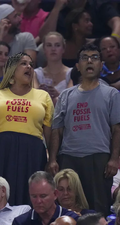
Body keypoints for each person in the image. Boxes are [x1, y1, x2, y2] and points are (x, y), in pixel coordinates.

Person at [47, 44, 120, 216]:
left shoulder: (112, 94)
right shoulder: (65, 95)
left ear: (101, 64)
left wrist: (114, 159)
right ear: (78, 66)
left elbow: (117, 129)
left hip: (99, 158)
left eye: (94, 57)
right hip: (69, 158)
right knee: (68, 208)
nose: (89, 61)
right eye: (85, 57)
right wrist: (52, 159)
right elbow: (57, 130)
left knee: (97, 209)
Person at [0, 52, 54, 206]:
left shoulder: (43, 96)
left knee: (27, 196)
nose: (29, 67)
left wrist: (52, 159)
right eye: (23, 63)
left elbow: (50, 134)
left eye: (31, 64)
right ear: (12, 69)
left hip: (32, 151)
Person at [13, 171, 79, 224]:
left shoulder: (72, 219)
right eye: (34, 196)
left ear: (55, 194)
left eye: (43, 196)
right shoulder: (20, 222)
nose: (38, 201)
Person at [38, 0, 120, 41]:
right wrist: (56, 8)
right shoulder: (60, 11)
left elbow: (117, 22)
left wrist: (114, 40)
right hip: (68, 55)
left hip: (100, 51)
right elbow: (44, 38)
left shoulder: (98, 4)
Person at [33, 32, 73, 106]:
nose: (53, 49)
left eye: (57, 45)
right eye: (49, 45)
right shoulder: (35, 73)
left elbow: (71, 100)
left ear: (63, 49)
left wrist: (58, 95)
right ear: (44, 49)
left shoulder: (72, 73)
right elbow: (34, 99)